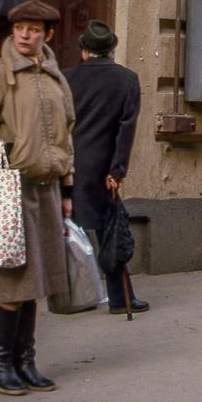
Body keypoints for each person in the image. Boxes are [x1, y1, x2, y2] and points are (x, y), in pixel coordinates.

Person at [0, 0, 74, 396]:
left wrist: (68, 188)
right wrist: (0, 153)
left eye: (34, 29)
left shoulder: (56, 78)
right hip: (13, 191)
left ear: (48, 35)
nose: (26, 35)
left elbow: (66, 135)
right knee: (15, 280)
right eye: (20, 28)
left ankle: (26, 361)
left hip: (48, 191)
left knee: (37, 282)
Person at [63, 20, 148, 315]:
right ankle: (120, 298)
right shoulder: (127, 79)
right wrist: (117, 170)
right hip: (101, 169)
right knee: (109, 232)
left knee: (63, 230)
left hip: (68, 165)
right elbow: (126, 130)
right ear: (111, 50)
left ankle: (66, 295)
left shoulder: (65, 78)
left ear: (84, 51)